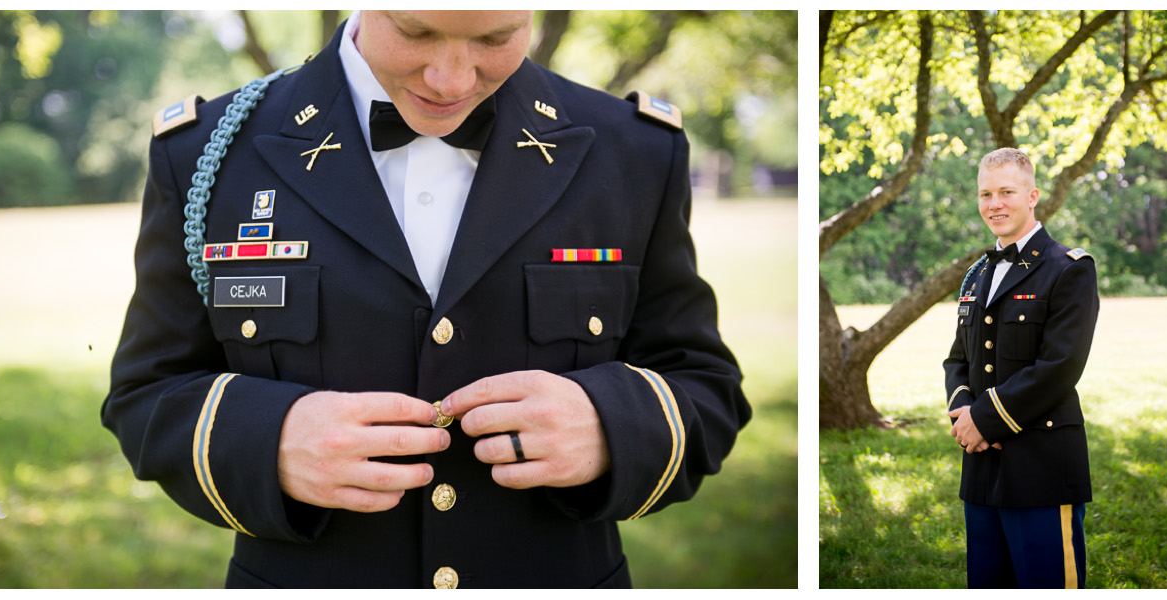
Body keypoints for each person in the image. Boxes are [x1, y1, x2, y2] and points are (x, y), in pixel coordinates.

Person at [103, 10, 749, 589]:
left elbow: (706, 388)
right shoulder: (204, 151)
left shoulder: (635, 150)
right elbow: (147, 394)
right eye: (415, 32)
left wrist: (611, 424)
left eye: (494, 39)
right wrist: (268, 440)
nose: (450, 78)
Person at [943, 148, 1098, 588]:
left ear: (1032, 196)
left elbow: (1060, 366)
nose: (994, 204)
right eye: (985, 194)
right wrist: (963, 416)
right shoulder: (975, 274)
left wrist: (985, 421)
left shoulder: (1069, 269)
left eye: (1006, 192)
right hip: (980, 473)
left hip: (1042, 469)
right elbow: (958, 358)